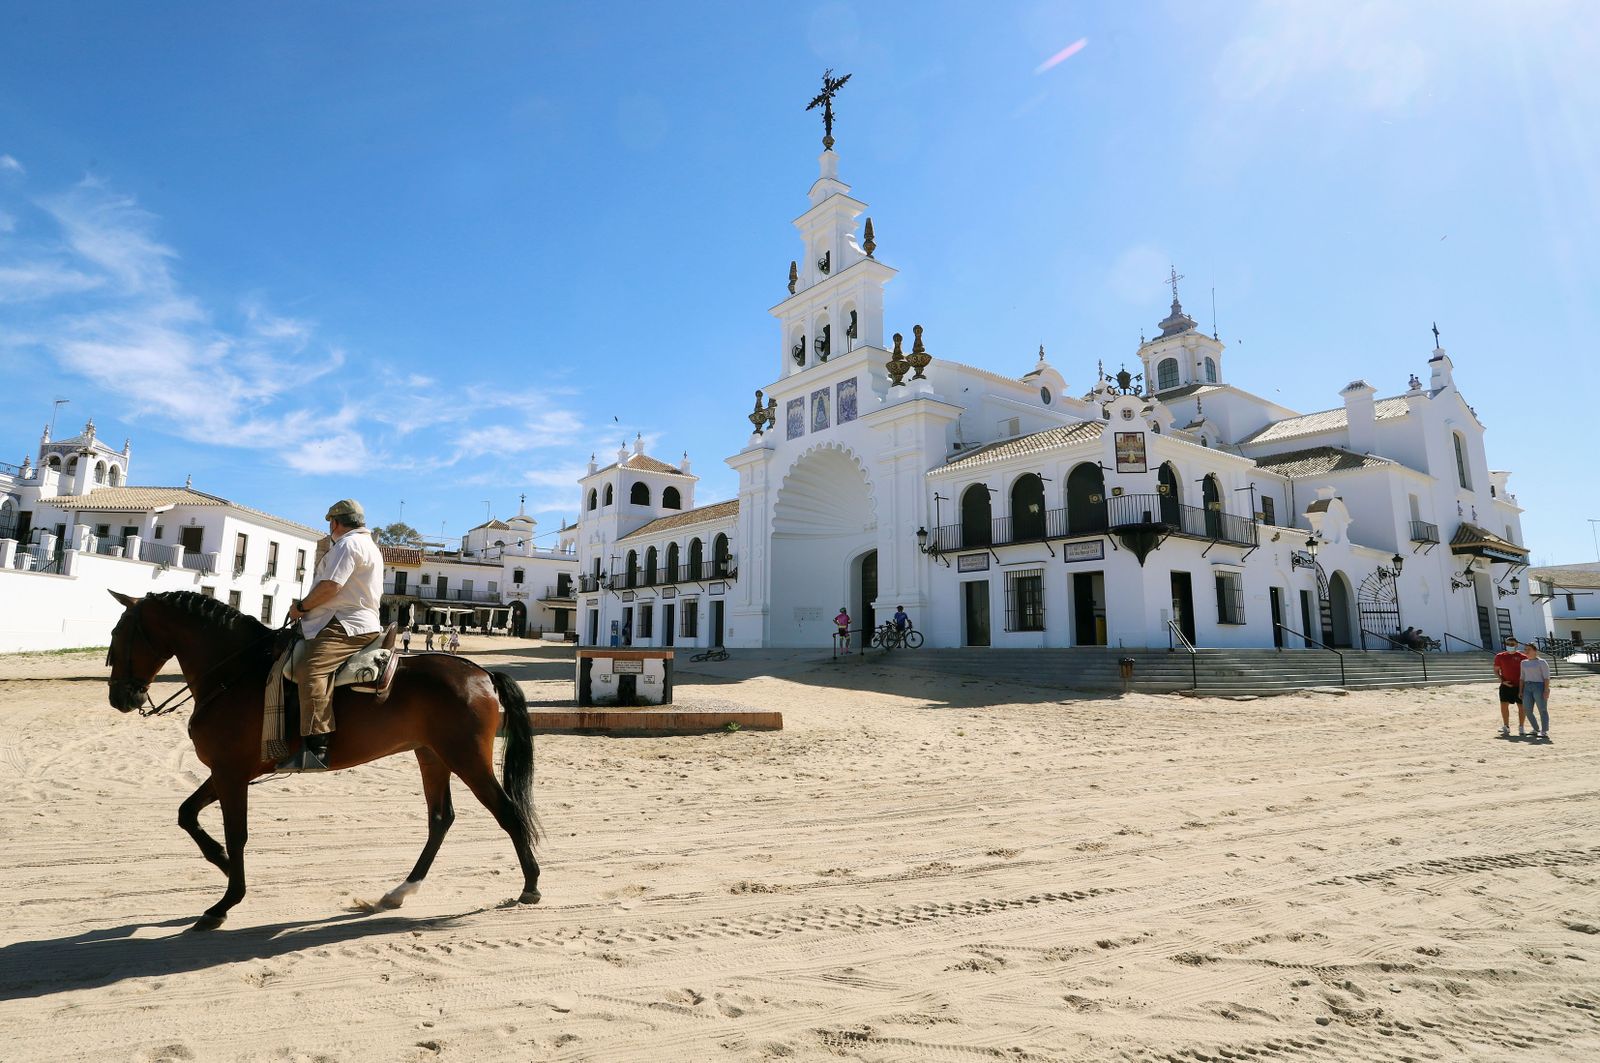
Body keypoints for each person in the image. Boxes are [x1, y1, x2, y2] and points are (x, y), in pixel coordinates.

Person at [276, 498, 384, 771]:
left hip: (347, 623)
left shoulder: (348, 544)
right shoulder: (368, 545)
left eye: (330, 524)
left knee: (310, 668)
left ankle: (317, 748)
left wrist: (301, 607)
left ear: (335, 523)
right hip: (354, 620)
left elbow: (330, 587)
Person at [1492, 636, 1526, 737]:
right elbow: (1496, 670)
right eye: (1507, 644)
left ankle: (1521, 727)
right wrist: (1503, 681)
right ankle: (1506, 726)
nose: (1509, 646)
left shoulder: (1523, 657)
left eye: (1512, 644)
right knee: (1504, 706)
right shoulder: (1500, 656)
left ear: (1517, 645)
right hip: (1506, 686)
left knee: (1521, 707)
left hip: (1520, 686)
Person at [1520, 642, 1552, 741]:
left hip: (1539, 686)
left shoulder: (1542, 662)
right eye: (1525, 649)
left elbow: (1546, 677)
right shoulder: (1523, 662)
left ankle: (1544, 730)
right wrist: (1520, 690)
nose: (1526, 651)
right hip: (1527, 686)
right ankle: (1536, 728)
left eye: (1528, 649)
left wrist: (1546, 689)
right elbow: (1522, 677)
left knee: (1542, 709)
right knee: (1527, 709)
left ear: (1535, 650)